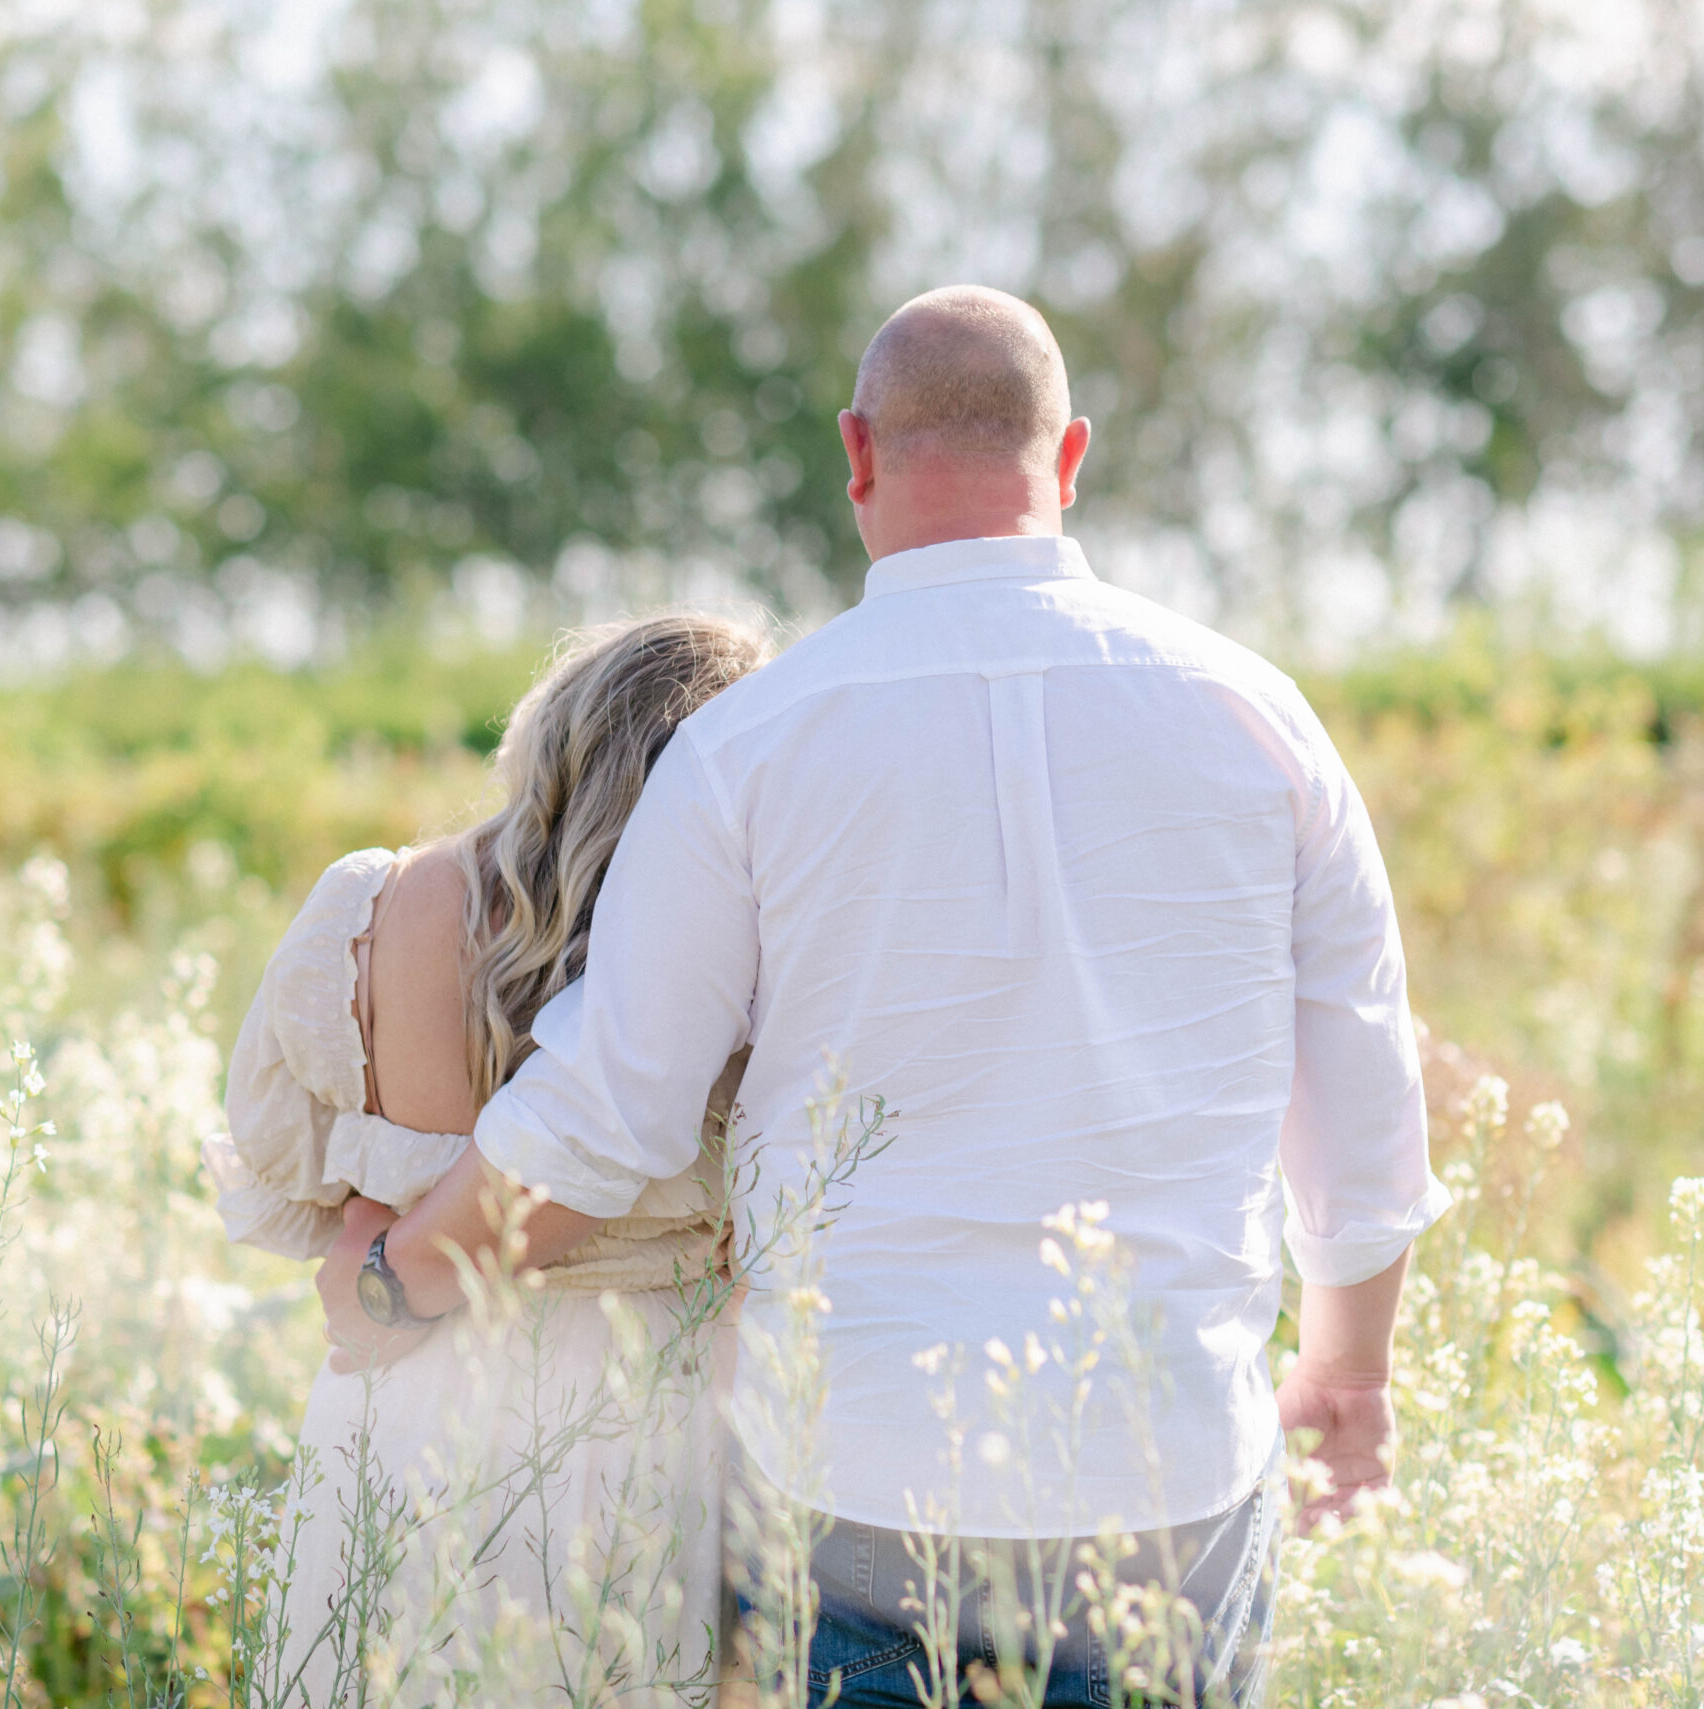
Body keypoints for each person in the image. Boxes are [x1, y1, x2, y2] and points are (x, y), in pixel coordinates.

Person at [337, 286, 1449, 1707]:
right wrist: (1349, 1379)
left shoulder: (748, 750)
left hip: (856, 1479)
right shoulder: (1259, 716)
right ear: (1072, 457)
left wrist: (397, 1275)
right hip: (1167, 1462)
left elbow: (606, 1115)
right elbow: (1363, 1109)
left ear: (857, 455)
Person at [205, 614, 768, 1703]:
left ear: (554, 730)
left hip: (404, 1381)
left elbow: (339, 1198)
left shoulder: (388, 905)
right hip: (646, 1405)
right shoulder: (743, 943)